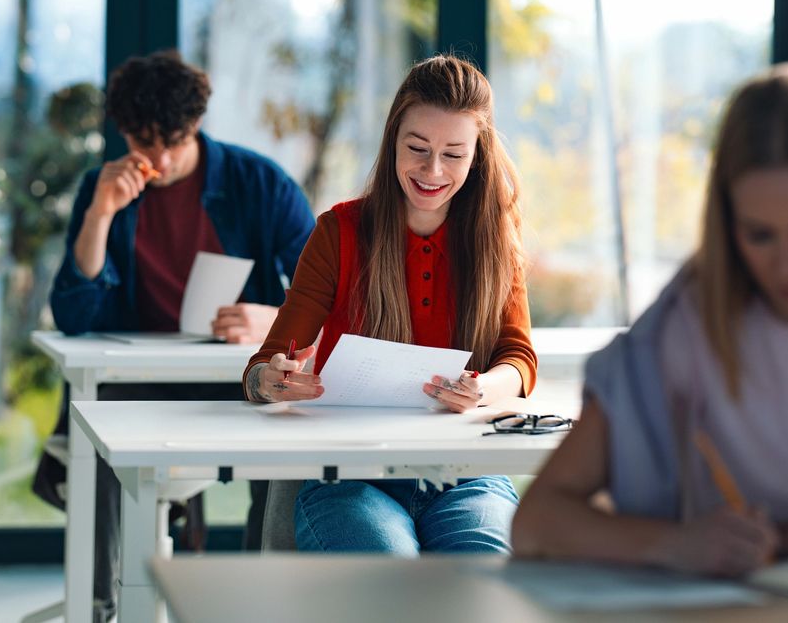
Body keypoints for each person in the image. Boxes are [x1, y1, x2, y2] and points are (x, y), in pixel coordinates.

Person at [47, 49, 315, 623]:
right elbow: (73, 314)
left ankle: (262, 605)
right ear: (123, 132)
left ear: (196, 126)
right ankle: (101, 608)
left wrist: (272, 319)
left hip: (239, 376)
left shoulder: (258, 183)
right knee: (92, 422)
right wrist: (98, 216)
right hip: (139, 380)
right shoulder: (105, 188)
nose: (161, 158)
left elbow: (334, 294)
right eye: (145, 142)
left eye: (174, 139)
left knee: (288, 431)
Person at [243, 53, 537, 554]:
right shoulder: (339, 233)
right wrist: (269, 380)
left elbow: (520, 362)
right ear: (392, 141)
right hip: (351, 479)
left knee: (483, 568)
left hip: (464, 477)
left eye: (454, 155)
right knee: (391, 574)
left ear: (477, 155)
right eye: (417, 148)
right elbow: (263, 367)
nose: (432, 170)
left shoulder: (495, 243)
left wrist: (483, 388)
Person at [512, 64, 788, 577]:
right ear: (726, 223)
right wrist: (673, 543)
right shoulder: (676, 337)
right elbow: (536, 521)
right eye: (760, 235)